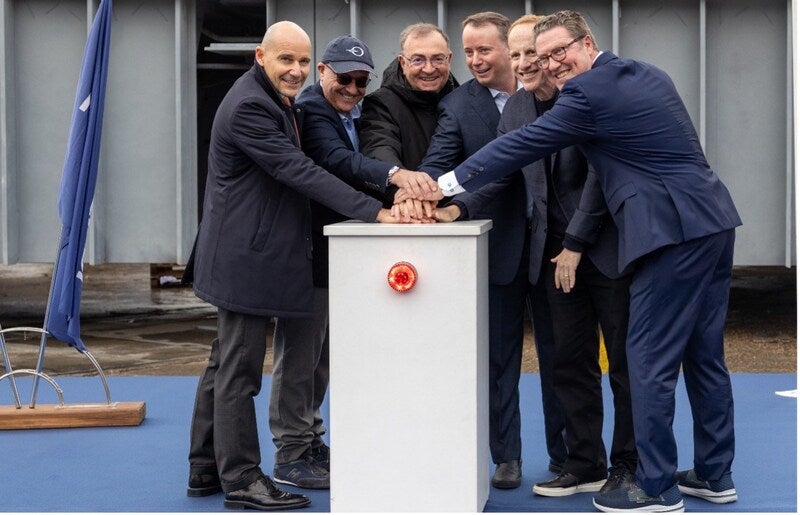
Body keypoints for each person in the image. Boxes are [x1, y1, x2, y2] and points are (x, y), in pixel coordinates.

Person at [429, 10, 741, 512]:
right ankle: (714, 474)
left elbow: (520, 145)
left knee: (645, 361)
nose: (553, 64)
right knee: (704, 358)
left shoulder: (586, 94)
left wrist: (442, 184)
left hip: (669, 234)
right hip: (713, 221)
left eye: (560, 52)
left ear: (587, 42)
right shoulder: (644, 72)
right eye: (544, 56)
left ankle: (655, 486)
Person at [185, 21, 402, 511]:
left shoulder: (272, 99)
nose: (297, 71)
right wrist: (376, 211)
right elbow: (297, 169)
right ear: (261, 56)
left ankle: (205, 467)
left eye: (303, 62)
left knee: (225, 362)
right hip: (245, 257)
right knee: (239, 371)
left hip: (245, 252)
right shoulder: (251, 106)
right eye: (288, 60)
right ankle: (241, 478)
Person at [269, 35, 438, 490]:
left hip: (337, 255)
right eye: (343, 77)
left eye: (362, 81)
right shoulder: (312, 112)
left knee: (322, 357)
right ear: (322, 71)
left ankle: (310, 437)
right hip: (307, 252)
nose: (352, 88)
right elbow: (335, 160)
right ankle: (290, 452)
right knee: (300, 356)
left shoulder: (354, 112)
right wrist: (395, 179)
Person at [419, 11, 566, 489]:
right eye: (469, 51)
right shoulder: (458, 107)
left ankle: (567, 457)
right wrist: (422, 195)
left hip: (554, 251)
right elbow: (441, 165)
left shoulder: (558, 92)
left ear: (514, 48)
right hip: (497, 249)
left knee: (561, 356)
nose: (475, 60)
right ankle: (507, 458)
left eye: (485, 49)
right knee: (499, 361)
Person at [496, 15, 638, 498]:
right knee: (569, 366)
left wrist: (575, 243)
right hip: (553, 262)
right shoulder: (515, 107)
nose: (526, 62)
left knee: (624, 367)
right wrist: (451, 201)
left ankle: (629, 466)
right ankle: (585, 464)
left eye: (533, 53)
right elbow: (502, 171)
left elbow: (600, 178)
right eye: (516, 55)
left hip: (607, 251)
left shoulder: (586, 94)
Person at [359, 22, 459, 171]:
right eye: (418, 60)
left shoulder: (464, 101)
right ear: (403, 62)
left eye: (438, 59)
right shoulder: (381, 104)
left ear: (449, 59)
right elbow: (379, 148)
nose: (429, 69)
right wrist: (403, 182)